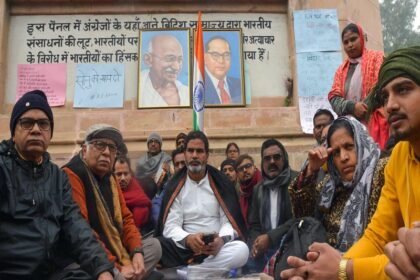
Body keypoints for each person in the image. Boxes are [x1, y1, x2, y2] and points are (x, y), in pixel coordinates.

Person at [280, 46, 420, 280]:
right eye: (384, 97)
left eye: (403, 90)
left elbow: (407, 262)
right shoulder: (399, 158)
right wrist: (323, 271)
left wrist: (343, 269)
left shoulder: (380, 169)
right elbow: (377, 237)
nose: (390, 106)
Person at [0, 90, 113, 279]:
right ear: (13, 133)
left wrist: (102, 269)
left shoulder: (57, 177)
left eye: (43, 124)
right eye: (27, 123)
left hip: (52, 272)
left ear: (50, 134)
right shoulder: (2, 168)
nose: (36, 129)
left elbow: (76, 227)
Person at [63, 124, 162, 280]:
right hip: (89, 256)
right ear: (84, 150)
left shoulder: (111, 178)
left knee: (155, 247)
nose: (107, 152)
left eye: (112, 148)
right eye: (100, 145)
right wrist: (117, 266)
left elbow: (126, 219)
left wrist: (136, 252)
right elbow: (82, 231)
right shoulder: (73, 174)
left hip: (116, 250)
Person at [289, 116, 386, 251]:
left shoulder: (383, 173)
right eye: (336, 152)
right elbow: (303, 218)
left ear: (362, 143)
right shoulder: (330, 187)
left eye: (349, 147)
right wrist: (311, 170)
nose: (343, 157)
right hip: (325, 265)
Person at [156, 131, 249, 270]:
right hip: (185, 249)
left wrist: (221, 241)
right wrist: (188, 239)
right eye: (190, 151)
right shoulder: (175, 185)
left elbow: (228, 222)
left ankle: (192, 271)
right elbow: (170, 227)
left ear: (206, 156)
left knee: (241, 250)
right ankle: (203, 270)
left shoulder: (220, 182)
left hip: (215, 249)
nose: (194, 155)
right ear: (185, 154)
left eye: (199, 151)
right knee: (156, 245)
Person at [328, 23, 388, 149]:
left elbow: (381, 86)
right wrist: (353, 107)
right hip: (350, 129)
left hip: (376, 124)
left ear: (362, 37)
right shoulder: (341, 70)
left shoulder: (377, 58)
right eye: (346, 42)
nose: (350, 45)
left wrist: (364, 109)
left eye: (353, 39)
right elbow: (334, 98)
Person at [247, 139, 298, 272]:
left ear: (284, 159)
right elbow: (254, 224)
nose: (272, 162)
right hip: (264, 250)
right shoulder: (258, 189)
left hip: (290, 246)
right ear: (262, 163)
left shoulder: (297, 182)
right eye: (267, 159)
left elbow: (297, 219)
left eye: (276, 157)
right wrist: (256, 245)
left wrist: (270, 238)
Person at [140, 34, 189, 107]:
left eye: (180, 60)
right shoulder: (140, 87)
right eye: (169, 59)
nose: (176, 67)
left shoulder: (185, 92)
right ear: (148, 60)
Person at [114, 156, 152, 230]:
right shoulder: (109, 188)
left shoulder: (134, 184)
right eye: (118, 174)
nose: (123, 178)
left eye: (126, 174)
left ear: (130, 174)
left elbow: (144, 201)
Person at [151, 147, 185, 225]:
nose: (180, 167)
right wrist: (163, 223)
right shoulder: (169, 185)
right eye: (177, 164)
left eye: (183, 163)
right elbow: (156, 204)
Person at [204, 36, 242, 105]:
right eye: (215, 55)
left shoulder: (239, 85)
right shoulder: (198, 87)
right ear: (205, 58)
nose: (221, 61)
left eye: (226, 55)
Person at [235, 154, 262, 227]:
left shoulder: (264, 185)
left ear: (254, 167)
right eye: (240, 169)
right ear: (237, 174)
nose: (245, 170)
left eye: (248, 166)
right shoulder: (239, 191)